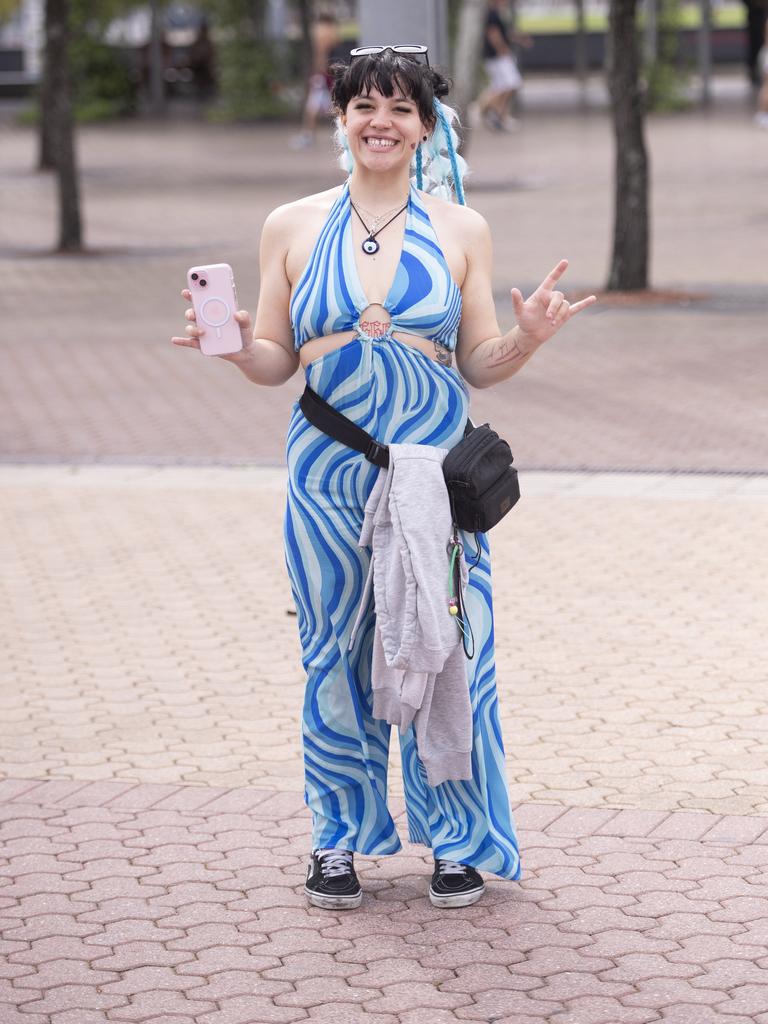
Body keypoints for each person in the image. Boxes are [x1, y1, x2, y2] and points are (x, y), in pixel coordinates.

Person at [172, 46, 596, 910]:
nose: (381, 121)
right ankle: (338, 838)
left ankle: (457, 839)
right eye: (364, 104)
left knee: (454, 651)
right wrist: (229, 344)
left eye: (401, 109)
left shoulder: (459, 229)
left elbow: (480, 361)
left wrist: (529, 341)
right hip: (326, 473)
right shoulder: (291, 224)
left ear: (425, 126)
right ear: (339, 117)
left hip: (434, 476)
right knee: (333, 650)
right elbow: (276, 360)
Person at [473, 0, 532, 131]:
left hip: (498, 55)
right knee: (509, 84)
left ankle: (500, 115)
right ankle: (481, 108)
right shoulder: (492, 14)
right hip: (497, 56)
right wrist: (503, 50)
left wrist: (520, 39)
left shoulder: (498, 13)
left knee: (502, 85)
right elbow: (493, 34)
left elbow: (505, 33)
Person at [290, 13, 340, 149]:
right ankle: (343, 134)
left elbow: (321, 54)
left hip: (324, 74)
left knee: (312, 107)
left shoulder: (322, 31)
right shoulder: (333, 31)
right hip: (332, 72)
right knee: (337, 104)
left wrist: (319, 72)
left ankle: (307, 137)